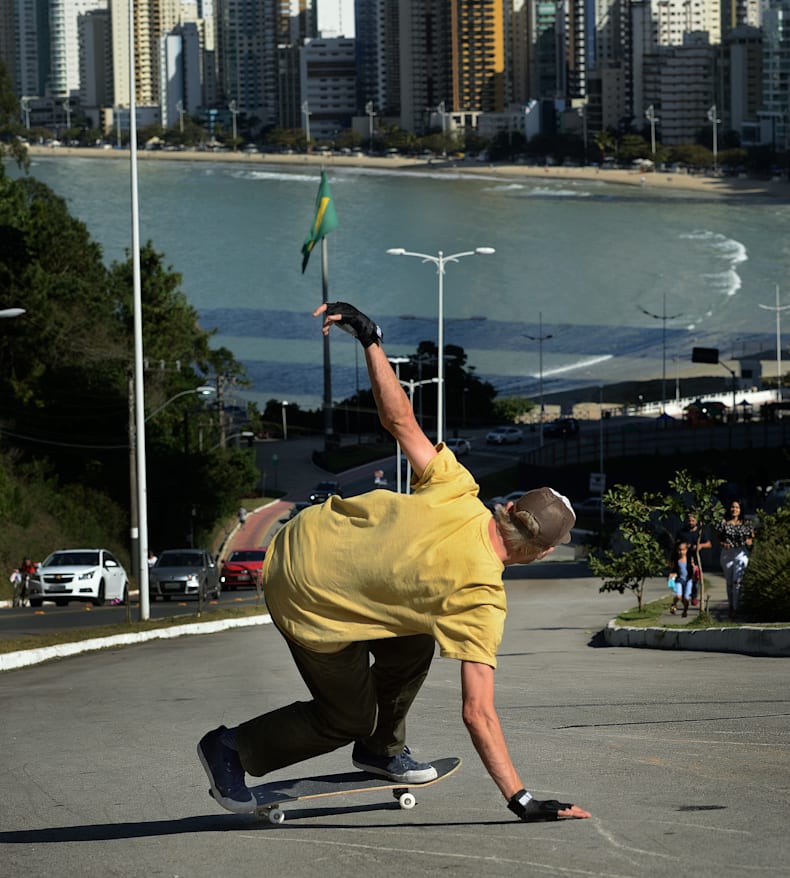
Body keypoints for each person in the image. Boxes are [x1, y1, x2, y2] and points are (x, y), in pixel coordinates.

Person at [197, 301, 591, 824]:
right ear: (541, 551)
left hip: (304, 534)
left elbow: (399, 419)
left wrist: (371, 339)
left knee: (416, 638)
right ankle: (231, 749)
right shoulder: (480, 600)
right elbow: (478, 714)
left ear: (509, 507)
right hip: (304, 593)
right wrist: (520, 798)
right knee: (347, 717)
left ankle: (382, 750)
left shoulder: (459, 487)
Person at [715, 499, 754, 617]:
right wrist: (723, 543)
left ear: (740, 509)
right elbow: (717, 536)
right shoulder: (723, 522)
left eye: (737, 507)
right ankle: (731, 605)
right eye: (732, 507)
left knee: (737, 581)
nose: (734, 509)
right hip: (727, 553)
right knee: (729, 582)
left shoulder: (746, 523)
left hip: (741, 553)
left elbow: (751, 537)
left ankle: (736, 607)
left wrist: (749, 541)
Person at [676, 512, 711, 606]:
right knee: (684, 577)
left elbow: (708, 544)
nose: (691, 522)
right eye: (689, 520)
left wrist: (700, 546)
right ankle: (685, 595)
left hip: (696, 559)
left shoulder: (700, 532)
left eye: (693, 520)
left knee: (695, 578)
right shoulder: (682, 532)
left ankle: (694, 596)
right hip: (684, 559)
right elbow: (676, 543)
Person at [667, 542, 693, 617]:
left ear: (686, 550)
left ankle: (685, 611)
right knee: (678, 595)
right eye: (679, 550)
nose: (681, 552)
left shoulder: (689, 559)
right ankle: (674, 604)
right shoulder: (676, 560)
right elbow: (673, 569)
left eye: (683, 550)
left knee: (686, 598)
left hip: (688, 580)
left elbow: (692, 568)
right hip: (679, 580)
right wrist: (672, 574)